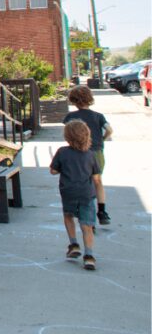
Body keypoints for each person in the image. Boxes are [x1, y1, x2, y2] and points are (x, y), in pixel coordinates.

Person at [50, 119, 102, 271]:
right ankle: (89, 256)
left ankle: (73, 244)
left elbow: (53, 170)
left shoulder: (62, 152)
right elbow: (96, 178)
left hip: (68, 192)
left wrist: (63, 169)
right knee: (87, 225)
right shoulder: (91, 155)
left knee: (68, 216)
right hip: (87, 194)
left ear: (67, 136)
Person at [64, 85, 113, 224]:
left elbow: (68, 134)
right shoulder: (98, 116)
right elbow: (110, 130)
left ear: (73, 100)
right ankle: (102, 211)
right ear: (90, 98)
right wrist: (101, 139)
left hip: (77, 153)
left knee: (82, 182)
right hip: (96, 152)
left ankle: (85, 214)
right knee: (97, 181)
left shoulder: (70, 117)